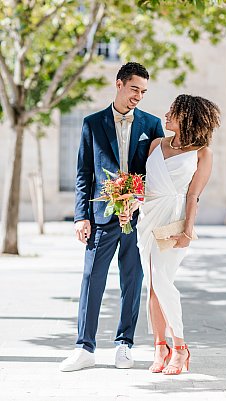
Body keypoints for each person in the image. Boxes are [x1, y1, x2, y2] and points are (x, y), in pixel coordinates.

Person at [59, 62, 164, 372]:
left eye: (143, 92)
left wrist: (137, 197)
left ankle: (124, 345)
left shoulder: (152, 124)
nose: (138, 97)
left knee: (133, 279)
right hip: (101, 216)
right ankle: (84, 347)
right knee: (92, 279)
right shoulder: (92, 123)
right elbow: (83, 173)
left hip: (137, 217)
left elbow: (155, 173)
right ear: (119, 84)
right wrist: (81, 216)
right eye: (134, 89)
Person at [127, 94, 220, 375]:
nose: (166, 116)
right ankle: (160, 346)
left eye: (172, 112)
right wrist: (130, 200)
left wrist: (187, 231)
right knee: (153, 286)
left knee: (161, 280)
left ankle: (180, 347)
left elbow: (193, 195)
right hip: (147, 220)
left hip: (174, 222)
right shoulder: (156, 144)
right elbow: (146, 186)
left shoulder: (202, 152)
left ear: (187, 117)